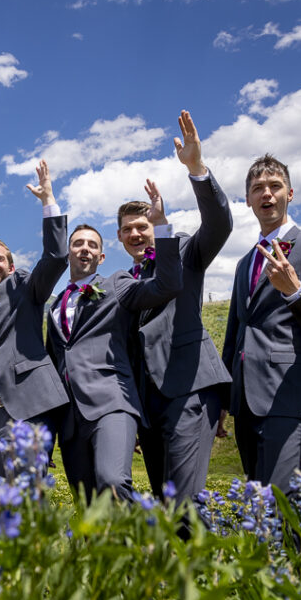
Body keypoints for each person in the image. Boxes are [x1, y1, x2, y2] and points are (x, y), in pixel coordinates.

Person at [124, 111, 232, 506]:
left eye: (144, 225)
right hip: (147, 404)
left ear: (157, 225)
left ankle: (199, 568)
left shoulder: (185, 251)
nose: (137, 233)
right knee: (165, 501)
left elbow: (220, 224)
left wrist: (196, 168)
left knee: (186, 503)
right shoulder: (123, 282)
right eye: (128, 229)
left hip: (189, 390)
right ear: (120, 237)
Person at [221, 154, 301, 492]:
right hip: (245, 398)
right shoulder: (246, 261)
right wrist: (228, 399)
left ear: (290, 194)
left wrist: (296, 291)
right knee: (258, 501)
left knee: (282, 500)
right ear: (247, 200)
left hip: (288, 392)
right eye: (258, 188)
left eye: (275, 186)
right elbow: (235, 332)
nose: (267, 194)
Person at [46, 224, 182, 503]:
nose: (85, 248)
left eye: (92, 245)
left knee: (113, 481)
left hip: (112, 402)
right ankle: (104, 548)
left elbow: (166, 286)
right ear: (68, 253)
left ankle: (146, 542)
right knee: (87, 503)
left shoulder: (117, 284)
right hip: (71, 419)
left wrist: (163, 232)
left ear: (101, 257)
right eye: (78, 243)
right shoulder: (55, 304)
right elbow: (52, 365)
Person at [0, 160, 69, 477]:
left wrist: (48, 202)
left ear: (11, 267)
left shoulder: (24, 287)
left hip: (29, 406)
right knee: (1, 494)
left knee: (30, 494)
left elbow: (55, 258)